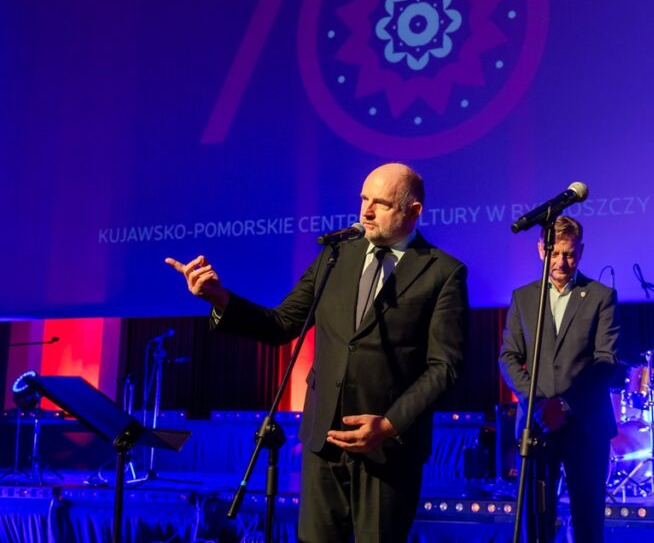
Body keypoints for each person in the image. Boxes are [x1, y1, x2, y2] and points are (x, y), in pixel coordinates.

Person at [165, 163, 469, 542]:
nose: (366, 212)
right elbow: (281, 324)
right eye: (363, 199)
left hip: (388, 450)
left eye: (381, 203)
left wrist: (389, 425)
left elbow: (445, 367)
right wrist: (219, 298)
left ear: (414, 211)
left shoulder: (443, 272)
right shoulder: (335, 256)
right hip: (323, 442)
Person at [498, 216, 620, 542]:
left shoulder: (600, 296)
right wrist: (539, 403)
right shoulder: (523, 298)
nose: (562, 262)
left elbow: (605, 362)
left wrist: (564, 404)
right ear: (541, 250)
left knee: (588, 519)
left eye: (570, 254)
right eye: (555, 253)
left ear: (581, 251)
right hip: (536, 423)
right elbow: (508, 357)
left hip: (586, 425)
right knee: (536, 520)